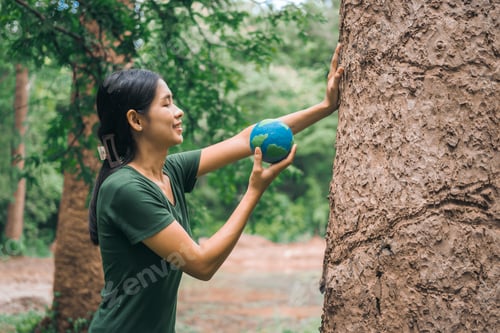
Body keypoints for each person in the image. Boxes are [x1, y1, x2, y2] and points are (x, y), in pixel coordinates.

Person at [87, 44, 344, 333]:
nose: (179, 111)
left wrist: (326, 107)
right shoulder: (125, 188)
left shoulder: (168, 171)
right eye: (166, 104)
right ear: (136, 120)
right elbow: (201, 264)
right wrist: (254, 191)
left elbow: (248, 138)